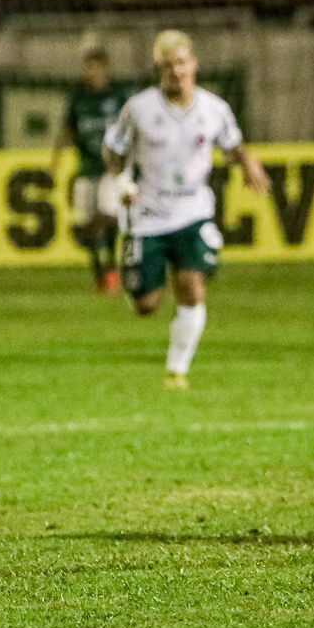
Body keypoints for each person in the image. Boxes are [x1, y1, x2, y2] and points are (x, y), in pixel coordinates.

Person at [103, 30, 268, 390]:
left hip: (193, 210)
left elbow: (234, 144)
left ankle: (177, 370)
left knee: (192, 285)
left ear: (193, 63)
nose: (176, 72)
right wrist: (120, 182)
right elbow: (113, 148)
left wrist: (250, 165)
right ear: (157, 68)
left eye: (181, 63)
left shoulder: (214, 109)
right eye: (167, 65)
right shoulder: (139, 109)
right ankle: (146, 287)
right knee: (146, 303)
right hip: (147, 213)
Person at [52, 47, 132, 293]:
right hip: (85, 167)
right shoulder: (78, 98)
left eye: (97, 67)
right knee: (87, 222)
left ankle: (111, 268)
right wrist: (55, 160)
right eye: (89, 67)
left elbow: (131, 129)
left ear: (105, 68)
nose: (92, 72)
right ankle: (98, 271)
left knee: (108, 215)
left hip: (112, 168)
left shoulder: (118, 97)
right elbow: (67, 131)